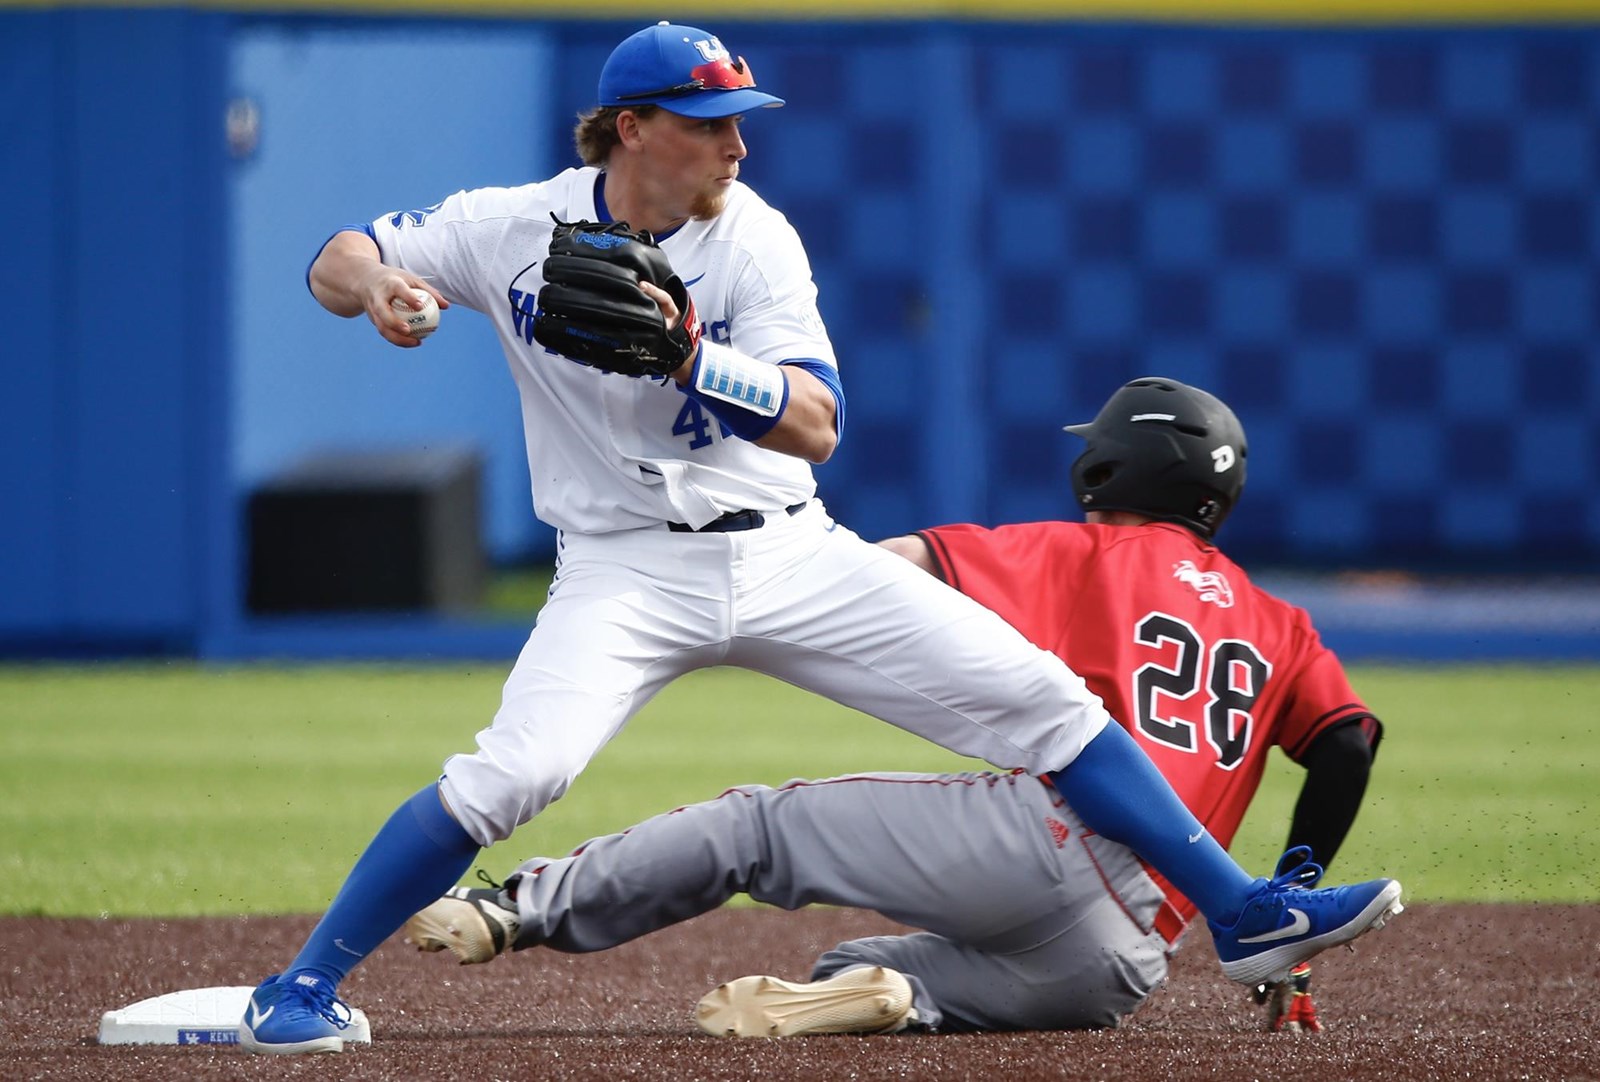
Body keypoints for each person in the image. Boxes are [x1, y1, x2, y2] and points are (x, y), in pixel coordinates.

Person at [237, 14, 1400, 1054]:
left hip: (788, 551)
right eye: (709, 123)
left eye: (741, 121)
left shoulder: (754, 239)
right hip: (625, 569)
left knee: (1049, 703)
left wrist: (693, 359)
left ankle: (1242, 910)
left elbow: (817, 422)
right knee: (511, 774)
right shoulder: (507, 228)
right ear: (632, 128)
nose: (736, 146)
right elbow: (338, 254)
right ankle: (300, 986)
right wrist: (387, 287)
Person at [404, 377, 1396, 1036]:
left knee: (758, 829)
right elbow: (1346, 743)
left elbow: (874, 574)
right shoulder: (1279, 620)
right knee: (859, 968)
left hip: (1051, 841)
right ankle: (898, 992)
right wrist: (1290, 889)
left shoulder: (1073, 547)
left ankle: (515, 903)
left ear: (1111, 468)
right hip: (1126, 955)